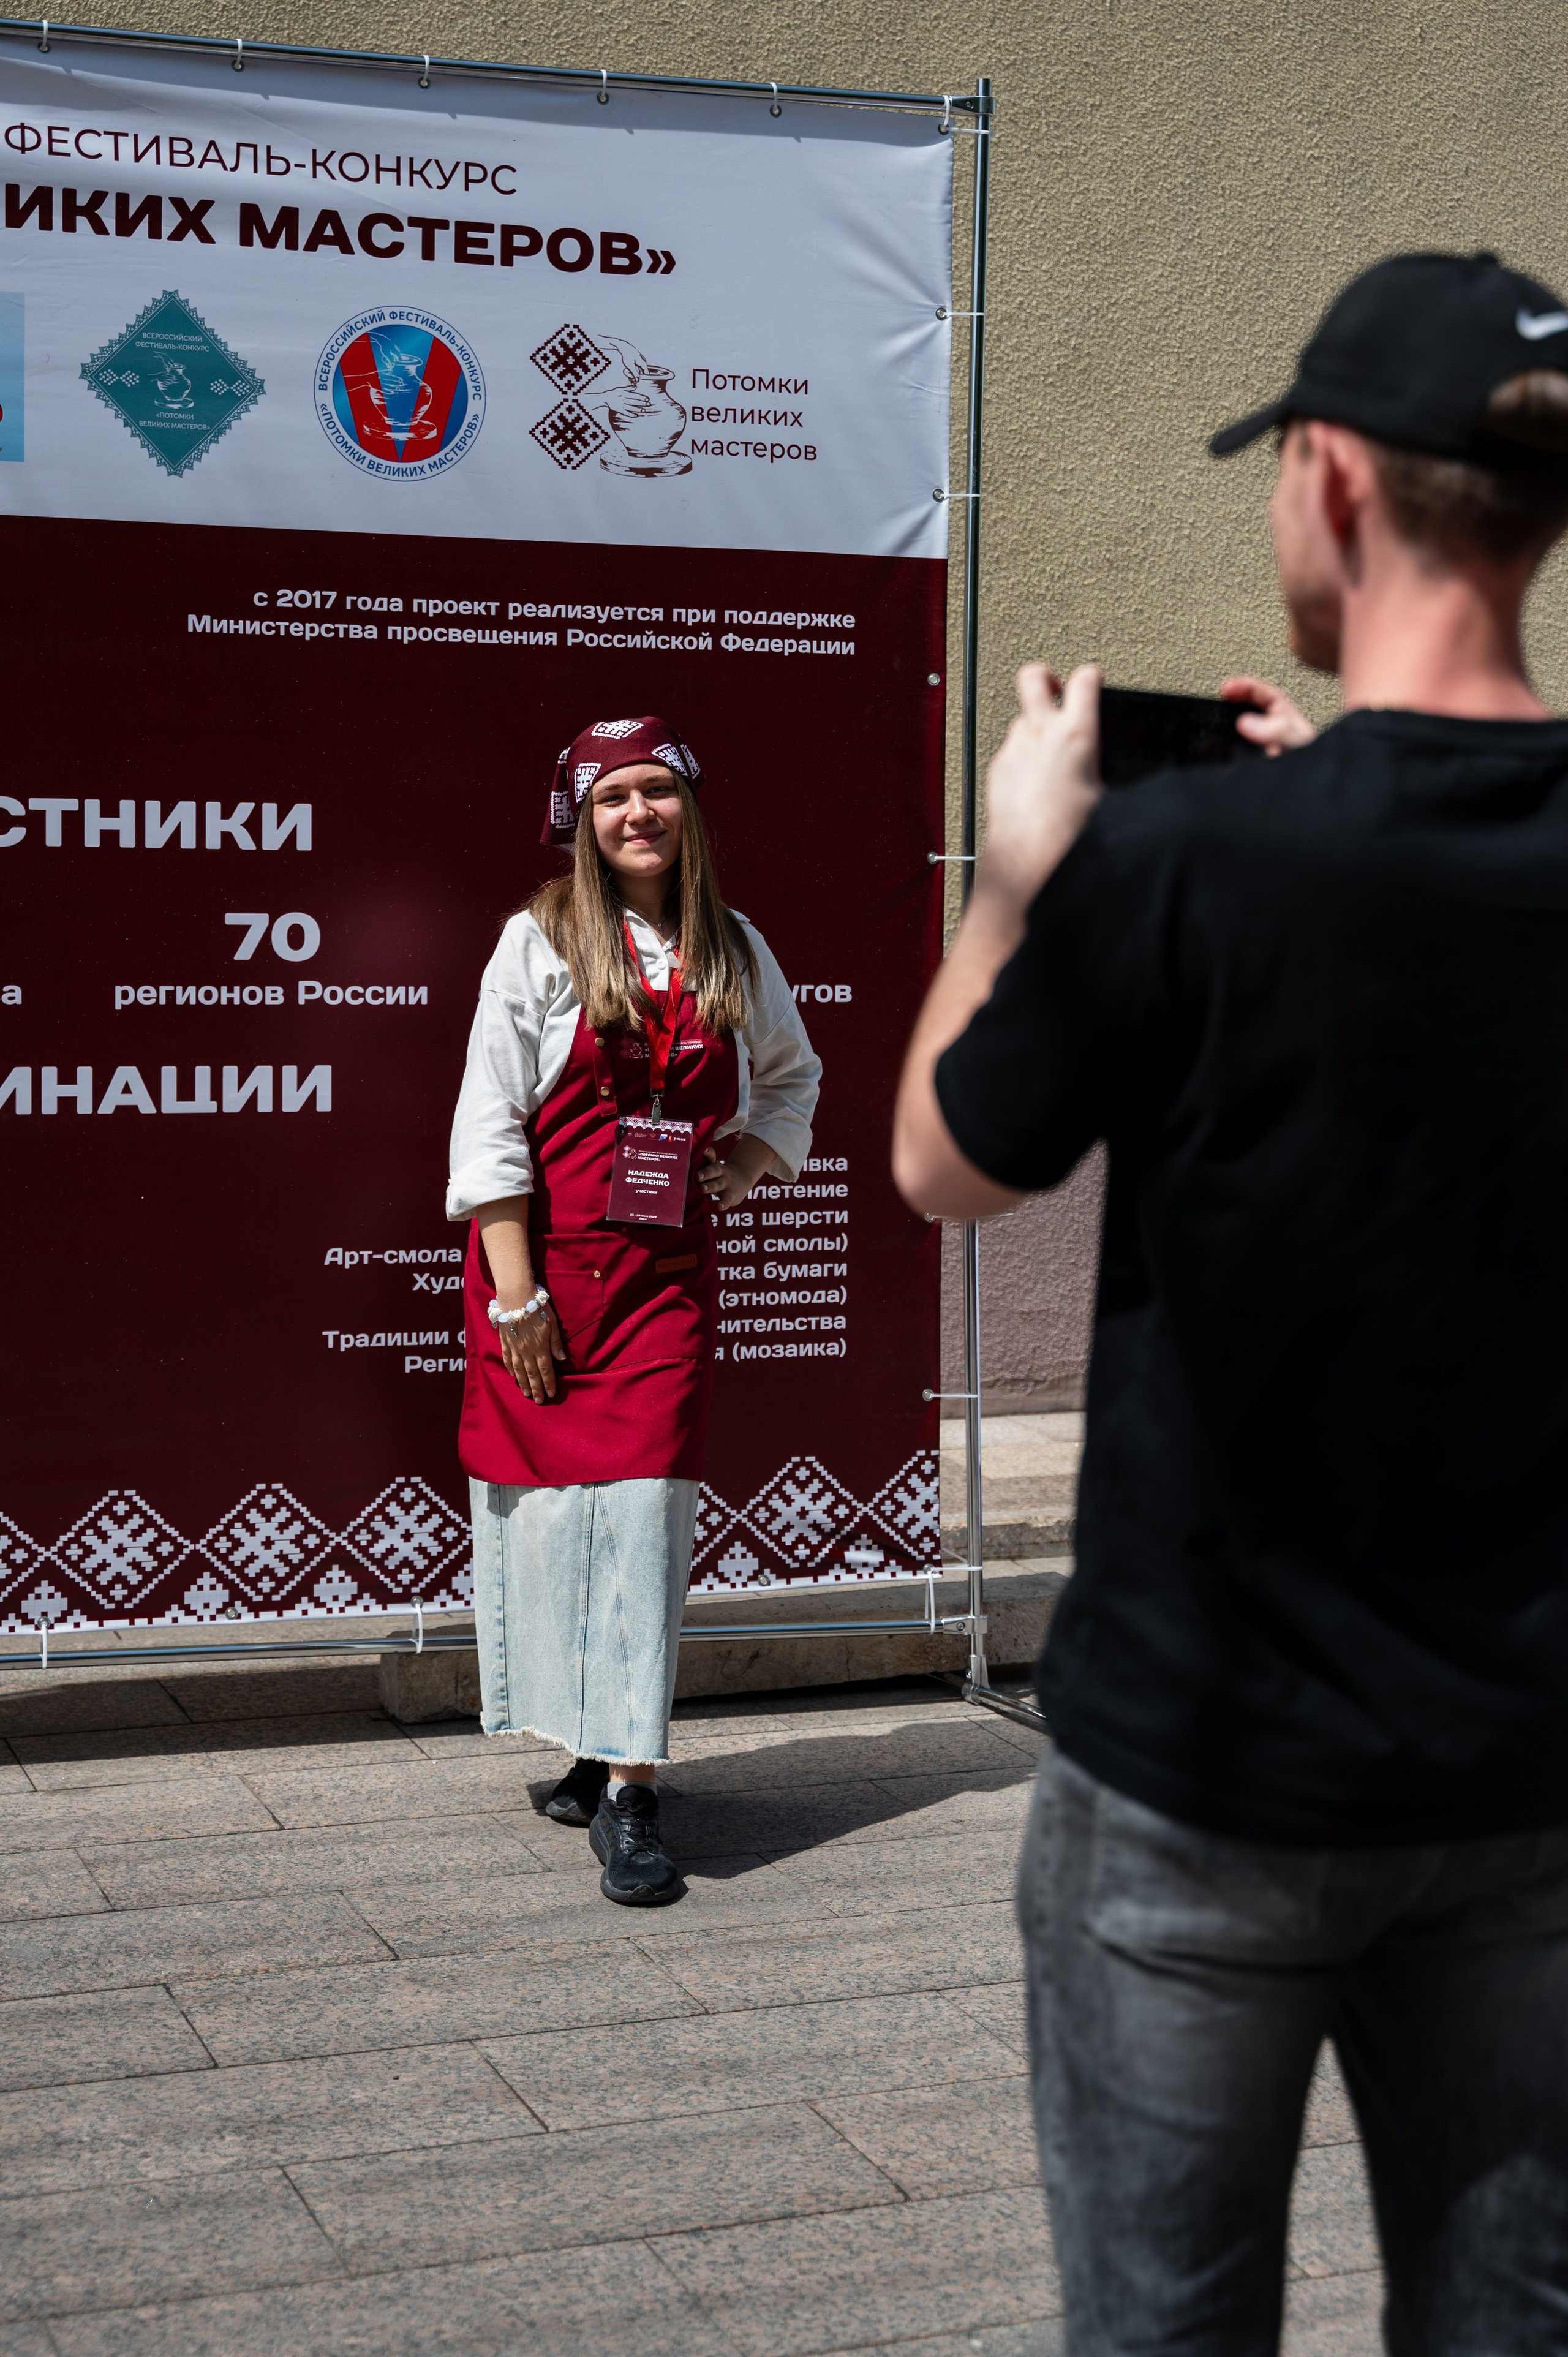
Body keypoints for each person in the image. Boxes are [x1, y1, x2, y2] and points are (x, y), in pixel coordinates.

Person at [892, 252, 1568, 2349]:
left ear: (1335, 480)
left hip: (1199, 1780)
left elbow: (944, 1158)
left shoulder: (1192, 870)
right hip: (1535, 1773)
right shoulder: (1241, 856)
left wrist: (1021, 876)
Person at [448, 715, 820, 1906]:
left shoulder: (733, 946)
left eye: (656, 791)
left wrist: (751, 1154)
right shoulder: (538, 938)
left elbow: (794, 1076)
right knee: (556, 1520)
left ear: (690, 811)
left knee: (646, 1516)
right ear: (581, 823)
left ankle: (633, 1792)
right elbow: (488, 1118)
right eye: (613, 798)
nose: (637, 814)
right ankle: (591, 1743)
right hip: (541, 1273)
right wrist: (517, 1300)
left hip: (662, 1281)